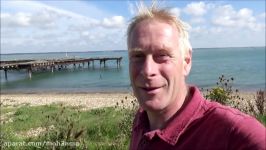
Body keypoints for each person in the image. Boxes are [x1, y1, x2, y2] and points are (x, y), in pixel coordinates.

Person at [127, 3, 265, 150]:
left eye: (162, 55)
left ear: (186, 62)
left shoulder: (234, 133)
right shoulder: (142, 120)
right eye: (137, 56)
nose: (148, 71)